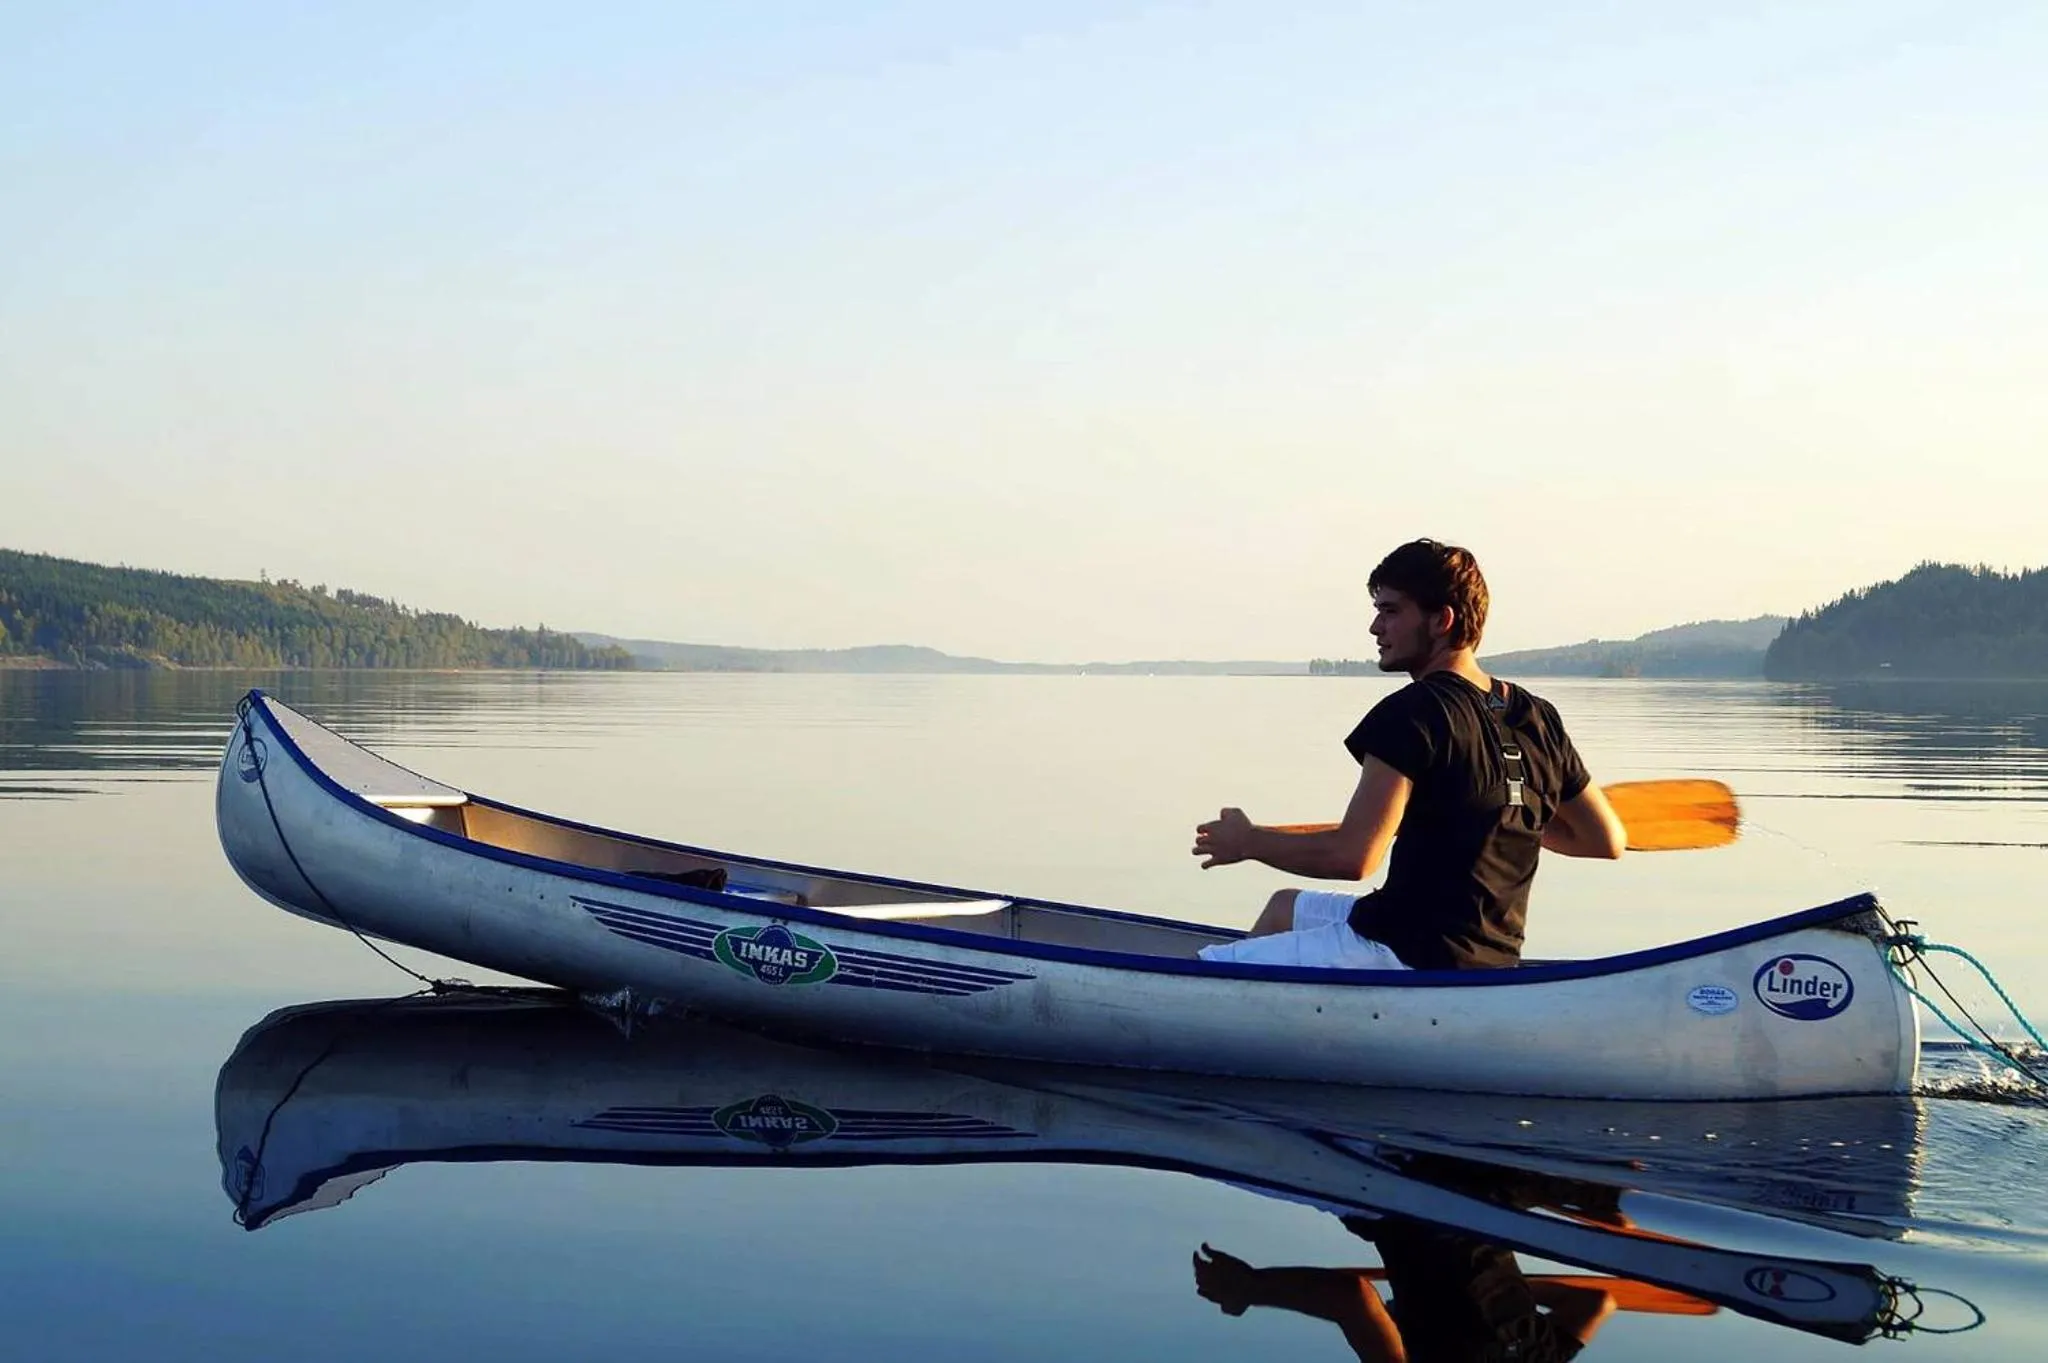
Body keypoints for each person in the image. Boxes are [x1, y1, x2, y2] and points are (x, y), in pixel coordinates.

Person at [1192, 539, 1625, 971]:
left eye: (1391, 611)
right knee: (1284, 909)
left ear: (1442, 620)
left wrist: (1247, 842)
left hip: (1401, 951)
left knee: (1207, 970)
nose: (1375, 627)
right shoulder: (1539, 717)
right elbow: (1604, 839)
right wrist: (1486, 819)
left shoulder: (1413, 713)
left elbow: (1353, 857)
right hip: (1491, 957)